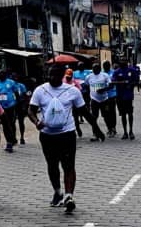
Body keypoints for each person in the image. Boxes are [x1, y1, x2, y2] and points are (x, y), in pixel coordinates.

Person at [28, 65, 104, 214]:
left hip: (67, 134)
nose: (52, 78)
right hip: (47, 135)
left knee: (68, 165)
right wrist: (36, 122)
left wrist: (96, 128)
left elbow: (84, 111)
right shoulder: (40, 90)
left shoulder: (72, 91)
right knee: (52, 165)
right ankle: (57, 191)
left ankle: (69, 196)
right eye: (50, 75)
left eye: (56, 75)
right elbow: (30, 109)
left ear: (62, 76)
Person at [0, 70, 20, 153]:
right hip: (1, 108)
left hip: (11, 105)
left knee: (11, 123)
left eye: (1, 74)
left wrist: (18, 103)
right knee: (5, 125)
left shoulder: (11, 82)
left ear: (5, 75)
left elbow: (16, 92)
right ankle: (9, 142)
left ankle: (13, 138)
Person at [111, 60, 141, 140]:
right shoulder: (117, 71)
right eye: (120, 61)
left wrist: (131, 84)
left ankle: (131, 131)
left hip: (128, 96)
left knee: (130, 114)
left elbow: (136, 81)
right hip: (120, 96)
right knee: (123, 115)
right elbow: (113, 81)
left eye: (123, 61)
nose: (122, 63)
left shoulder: (132, 70)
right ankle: (125, 132)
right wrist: (122, 82)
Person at [84, 63, 113, 141]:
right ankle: (95, 133)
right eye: (93, 68)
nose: (95, 70)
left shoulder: (105, 76)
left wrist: (103, 89)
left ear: (100, 69)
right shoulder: (89, 77)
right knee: (94, 117)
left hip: (104, 100)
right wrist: (89, 94)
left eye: (96, 68)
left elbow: (111, 86)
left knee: (106, 115)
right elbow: (86, 85)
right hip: (94, 100)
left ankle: (110, 130)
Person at [15, 77, 31, 145]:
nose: (15, 79)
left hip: (20, 105)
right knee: (12, 122)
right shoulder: (10, 85)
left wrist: (25, 105)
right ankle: (14, 138)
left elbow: (25, 96)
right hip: (13, 105)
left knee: (21, 122)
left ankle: (22, 137)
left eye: (16, 77)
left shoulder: (21, 85)